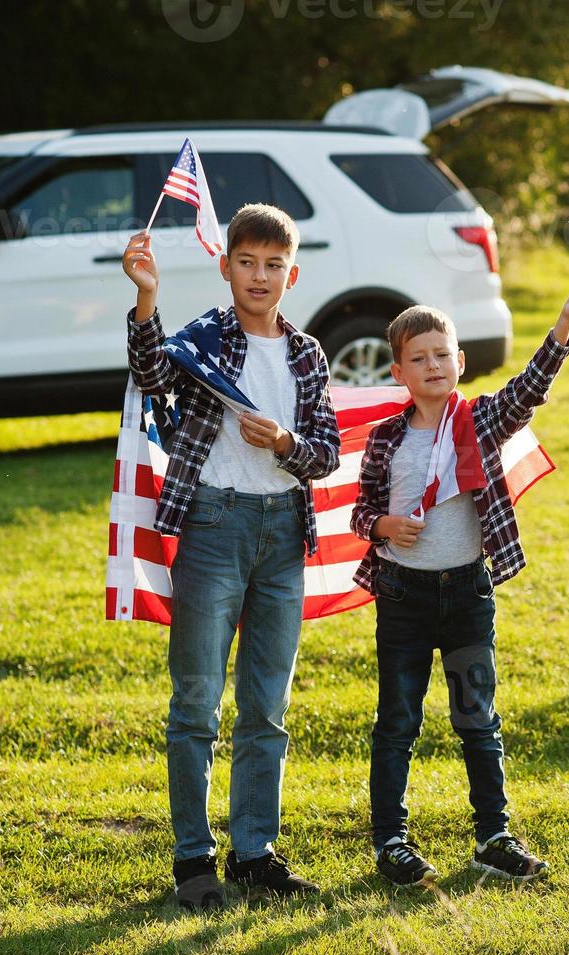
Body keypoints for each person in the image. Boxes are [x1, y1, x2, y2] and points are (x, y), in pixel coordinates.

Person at [120, 204, 341, 910]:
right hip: (213, 526)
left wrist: (283, 444)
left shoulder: (306, 353)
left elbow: (326, 454)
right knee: (195, 701)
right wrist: (147, 296)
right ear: (226, 266)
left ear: (291, 273)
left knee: (266, 705)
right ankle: (194, 861)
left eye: (274, 265)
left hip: (283, 536)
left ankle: (255, 851)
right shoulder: (207, 339)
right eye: (246, 261)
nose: (259, 275)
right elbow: (152, 374)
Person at [349, 281, 569, 888]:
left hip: (466, 595)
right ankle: (392, 843)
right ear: (399, 371)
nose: (433, 365)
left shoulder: (481, 419)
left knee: (476, 717)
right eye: (419, 357)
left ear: (460, 362)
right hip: (403, 600)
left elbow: (529, 391)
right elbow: (361, 514)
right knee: (397, 723)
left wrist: (563, 323)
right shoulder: (387, 438)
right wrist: (383, 523)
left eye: (443, 354)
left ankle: (494, 837)